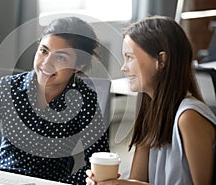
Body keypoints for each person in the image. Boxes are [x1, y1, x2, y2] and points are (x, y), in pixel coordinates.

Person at [86, 15, 216, 185]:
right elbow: (138, 180)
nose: (123, 67)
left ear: (161, 60)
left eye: (130, 57)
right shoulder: (151, 113)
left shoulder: (188, 117)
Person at [0, 16, 110, 184]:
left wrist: (66, 184)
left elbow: (98, 165)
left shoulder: (85, 100)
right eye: (43, 51)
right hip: (2, 179)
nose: (46, 63)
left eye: (60, 58)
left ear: (78, 66)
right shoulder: (7, 88)